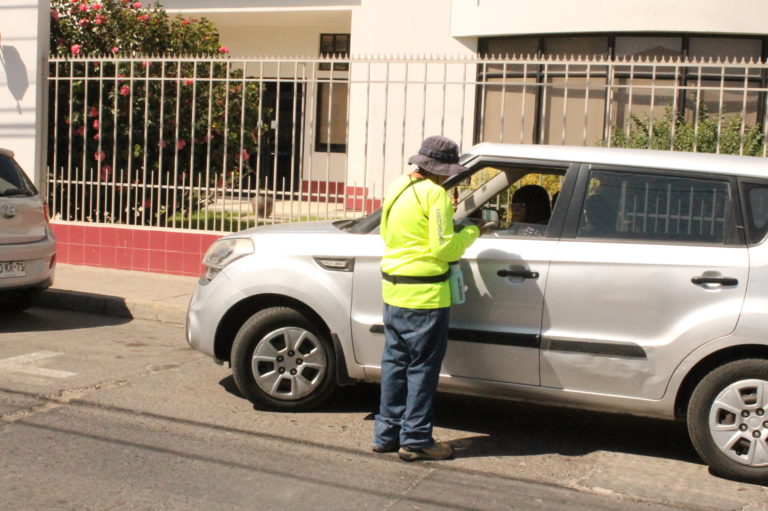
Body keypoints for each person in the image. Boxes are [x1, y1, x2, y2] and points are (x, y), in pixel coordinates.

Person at [373, 135, 489, 462]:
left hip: (394, 291)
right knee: (422, 369)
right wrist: (471, 231)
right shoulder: (435, 194)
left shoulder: (398, 186)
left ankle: (386, 435)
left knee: (395, 364)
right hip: (426, 296)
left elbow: (387, 232)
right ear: (443, 169)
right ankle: (416, 440)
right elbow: (443, 248)